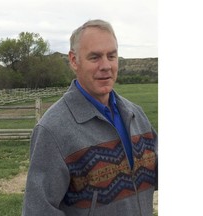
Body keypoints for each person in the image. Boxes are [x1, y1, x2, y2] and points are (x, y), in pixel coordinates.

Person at [22, 19, 158, 216]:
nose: (106, 66)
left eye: (111, 56)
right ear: (74, 60)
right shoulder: (52, 130)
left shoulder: (136, 116)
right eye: (95, 57)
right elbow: (38, 211)